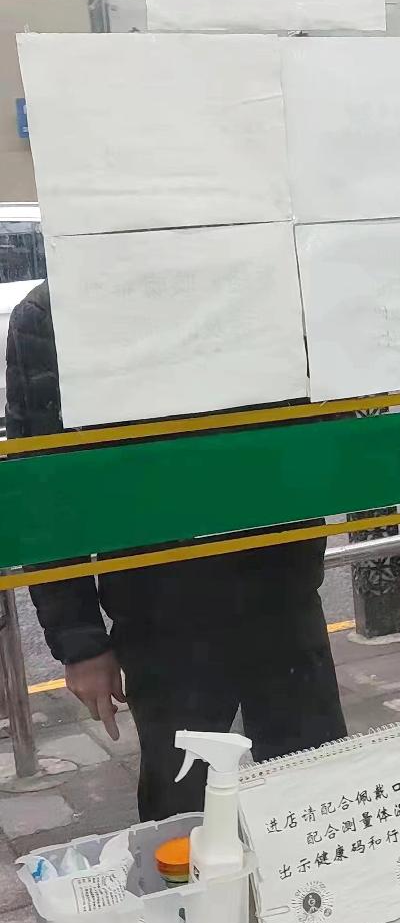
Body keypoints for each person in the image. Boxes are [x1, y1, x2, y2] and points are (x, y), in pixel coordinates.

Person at [6, 282, 349, 821]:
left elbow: (326, 420)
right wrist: (81, 643)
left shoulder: (263, 275)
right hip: (160, 610)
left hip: (281, 589)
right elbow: (44, 490)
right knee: (184, 810)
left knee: (315, 796)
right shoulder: (56, 307)